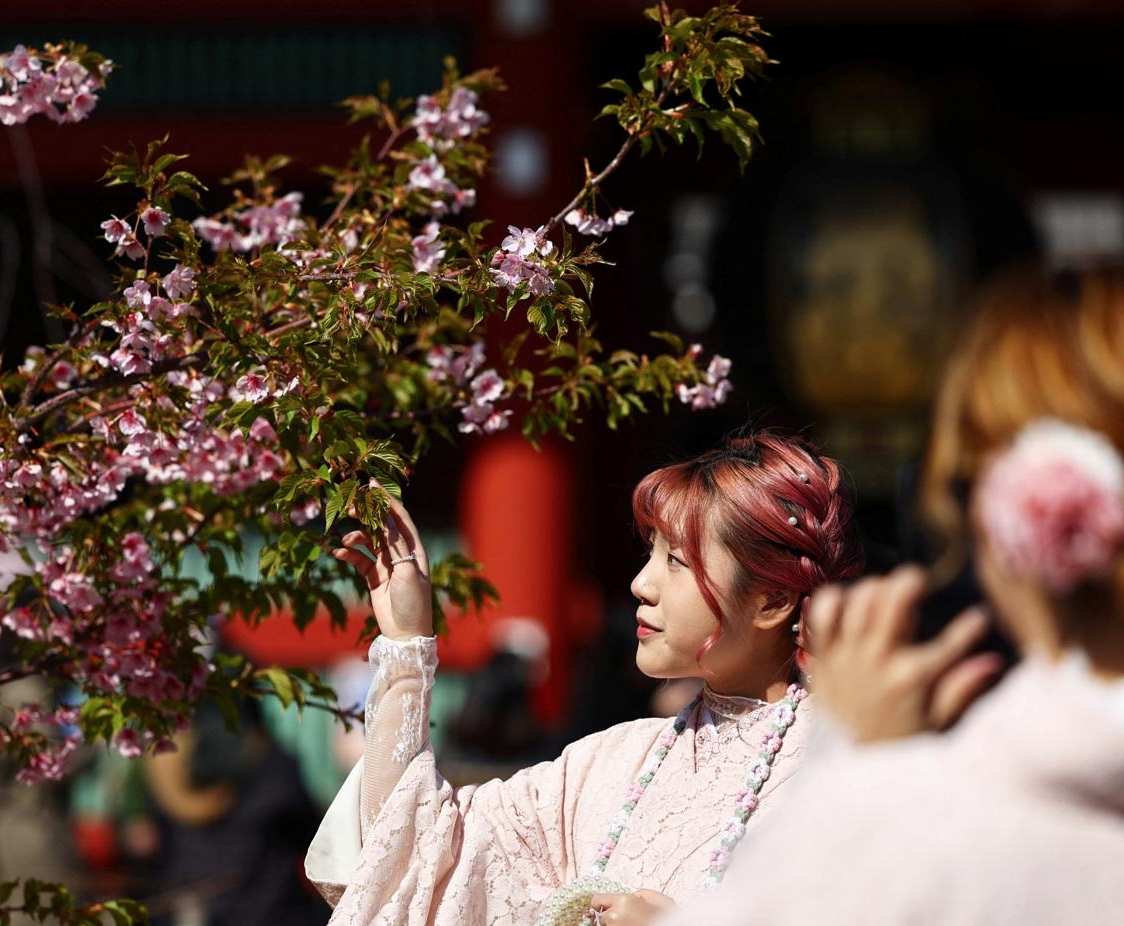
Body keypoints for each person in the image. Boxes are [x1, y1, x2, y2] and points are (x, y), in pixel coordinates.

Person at [672, 267, 1124, 925]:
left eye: (678, 560)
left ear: (1032, 504)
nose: (639, 585)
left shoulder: (939, 813)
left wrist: (854, 770)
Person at [306, 432, 863, 925]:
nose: (641, 583)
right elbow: (418, 857)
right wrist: (407, 646)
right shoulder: (608, 765)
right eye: (652, 554)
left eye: (677, 561)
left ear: (772, 600)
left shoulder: (844, 772)